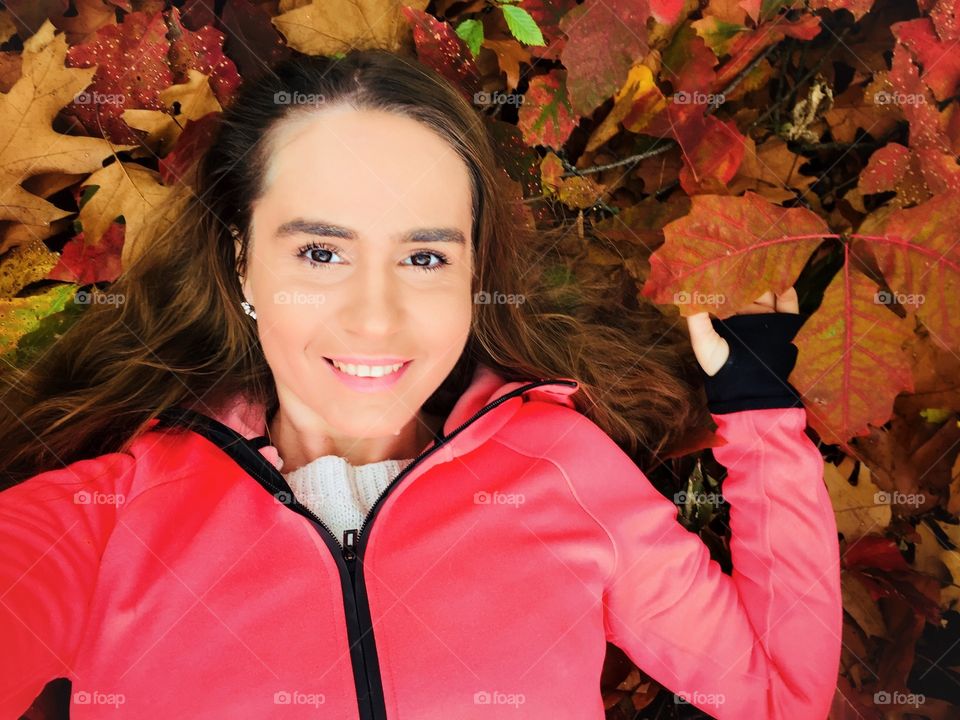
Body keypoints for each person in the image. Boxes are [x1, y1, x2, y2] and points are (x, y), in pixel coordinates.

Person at [0, 49, 841, 719]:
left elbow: (777, 694)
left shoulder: (560, 470)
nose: (377, 319)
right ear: (241, 261)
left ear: (475, 275)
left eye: (425, 256)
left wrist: (761, 416)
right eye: (321, 252)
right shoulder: (105, 520)